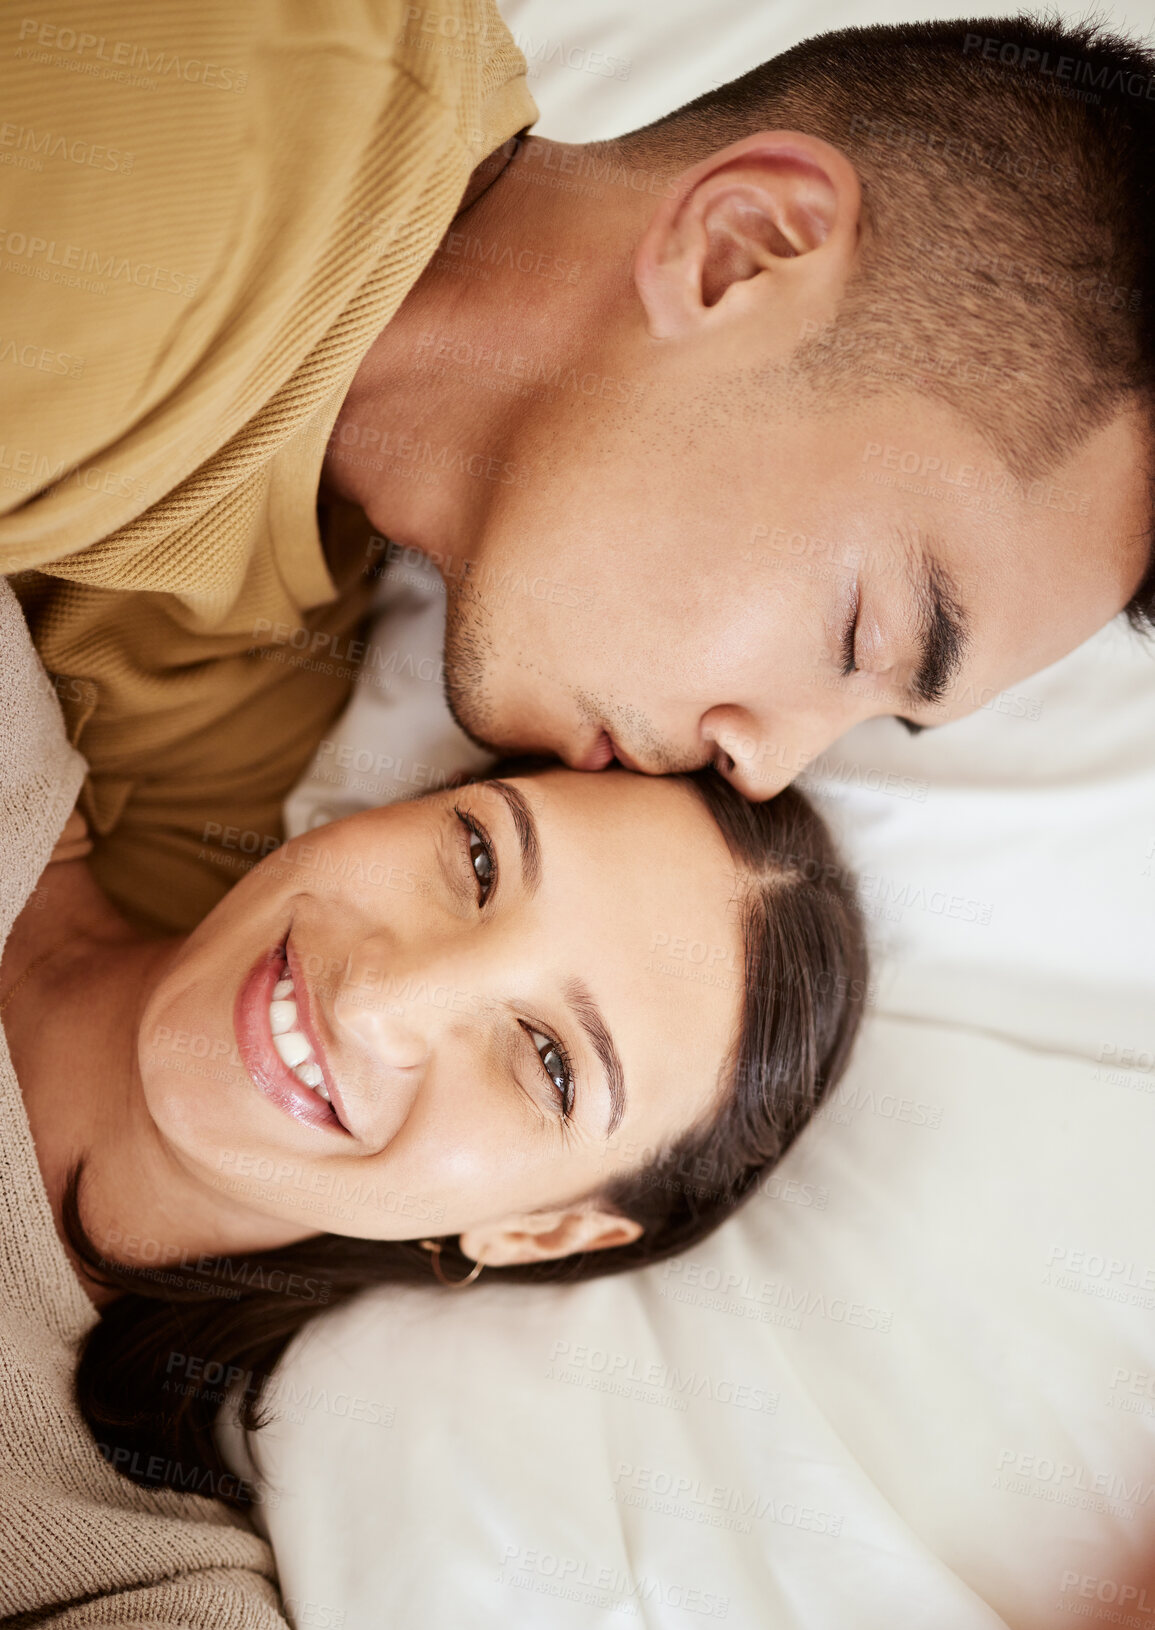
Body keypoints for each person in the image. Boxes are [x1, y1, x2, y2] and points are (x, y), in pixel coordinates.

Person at [4, 7, 1153, 936]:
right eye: (866, 636)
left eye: (869, 717)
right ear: (739, 248)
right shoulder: (167, 125)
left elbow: (83, 1044)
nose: (762, 769)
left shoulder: (253, 646)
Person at [0, 573, 865, 1630]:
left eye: (552, 1064)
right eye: (477, 861)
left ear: (537, 1231)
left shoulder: (127, 1596)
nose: (380, 997)